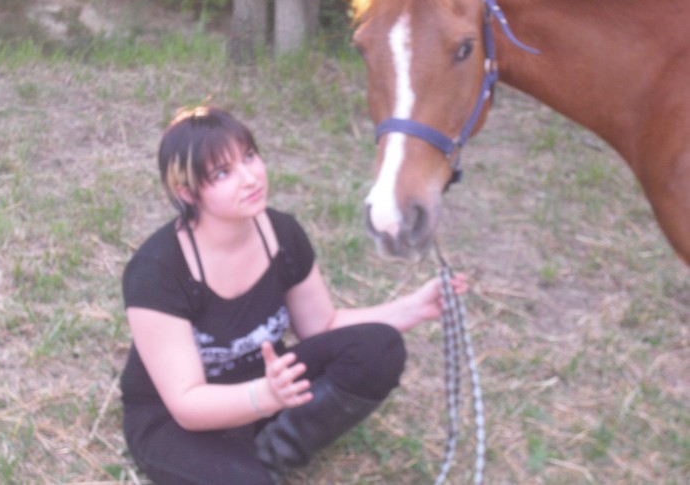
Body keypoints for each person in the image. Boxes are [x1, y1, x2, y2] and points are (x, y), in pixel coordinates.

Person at [119, 106, 469, 485]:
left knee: (378, 348)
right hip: (177, 421)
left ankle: (273, 452)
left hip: (271, 386)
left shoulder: (283, 234)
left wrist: (416, 307)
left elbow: (323, 325)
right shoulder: (158, 270)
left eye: (249, 156)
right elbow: (186, 403)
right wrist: (264, 396)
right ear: (188, 192)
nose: (250, 177)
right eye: (222, 173)